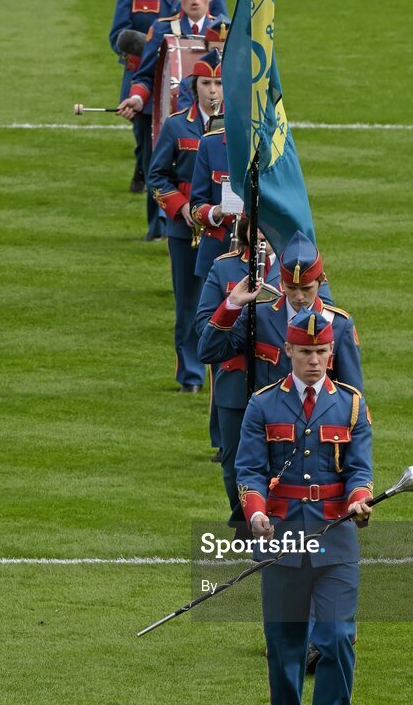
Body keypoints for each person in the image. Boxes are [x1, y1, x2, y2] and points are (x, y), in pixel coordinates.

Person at [235, 307, 373, 705]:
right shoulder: (262, 404)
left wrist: (359, 499)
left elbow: (358, 468)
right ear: (289, 351)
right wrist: (255, 515)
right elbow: (250, 470)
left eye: (321, 352)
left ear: (332, 352)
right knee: (285, 643)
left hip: (335, 541)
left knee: (336, 638)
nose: (313, 360)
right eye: (305, 352)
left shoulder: (351, 405)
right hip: (281, 538)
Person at [197, 230, 361, 392]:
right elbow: (209, 352)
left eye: (306, 288)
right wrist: (232, 305)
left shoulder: (339, 325)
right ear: (281, 281)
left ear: (321, 281)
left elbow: (353, 393)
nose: (299, 296)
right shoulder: (258, 316)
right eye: (291, 288)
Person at [195, 218, 280, 524]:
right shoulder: (224, 267)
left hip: (280, 381)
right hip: (235, 382)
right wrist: (234, 309)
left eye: (266, 225)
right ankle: (244, 523)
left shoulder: (297, 267)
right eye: (254, 224)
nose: (259, 232)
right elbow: (204, 328)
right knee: (234, 466)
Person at [147, 51, 223, 393]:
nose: (213, 91)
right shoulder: (177, 125)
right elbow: (157, 177)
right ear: (194, 86)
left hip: (224, 230)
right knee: (188, 304)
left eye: (219, 84)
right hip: (184, 230)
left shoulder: (235, 128)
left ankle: (222, 372)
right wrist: (181, 209)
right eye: (206, 83)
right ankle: (191, 375)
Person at [109, 0, 190, 195]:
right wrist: (152, 52)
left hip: (190, 85)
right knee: (148, 152)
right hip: (144, 81)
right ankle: (156, 227)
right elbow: (117, 35)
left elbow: (219, 32)